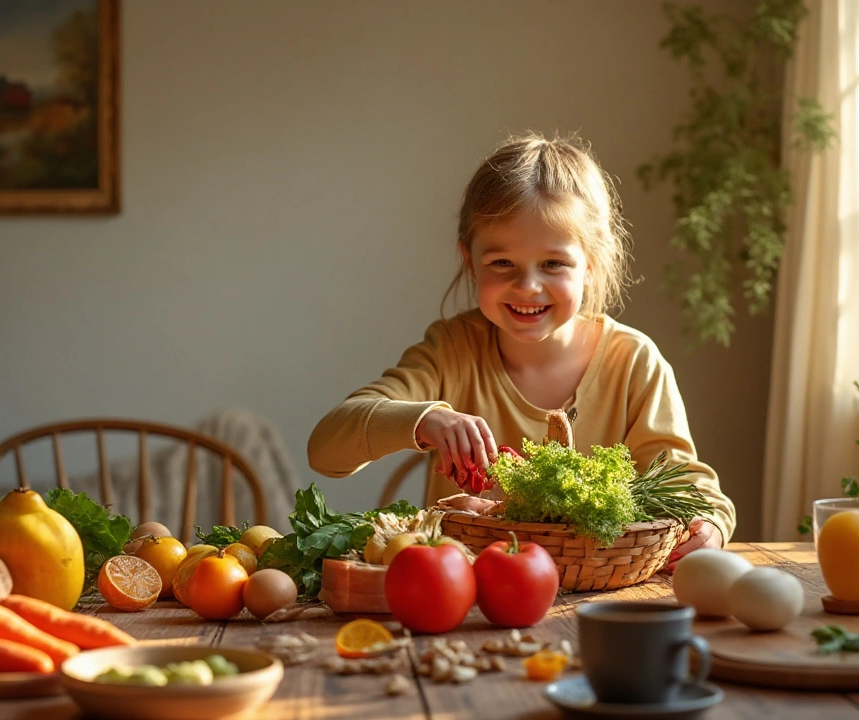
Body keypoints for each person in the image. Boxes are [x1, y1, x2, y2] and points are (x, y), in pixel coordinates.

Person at [308, 133, 735, 558]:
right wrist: (425, 421)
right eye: (502, 263)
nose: (527, 286)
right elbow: (325, 450)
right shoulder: (450, 351)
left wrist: (709, 527)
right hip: (464, 599)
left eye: (553, 264)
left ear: (590, 264)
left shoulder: (634, 363)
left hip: (597, 594)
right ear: (469, 261)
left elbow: (695, 493)